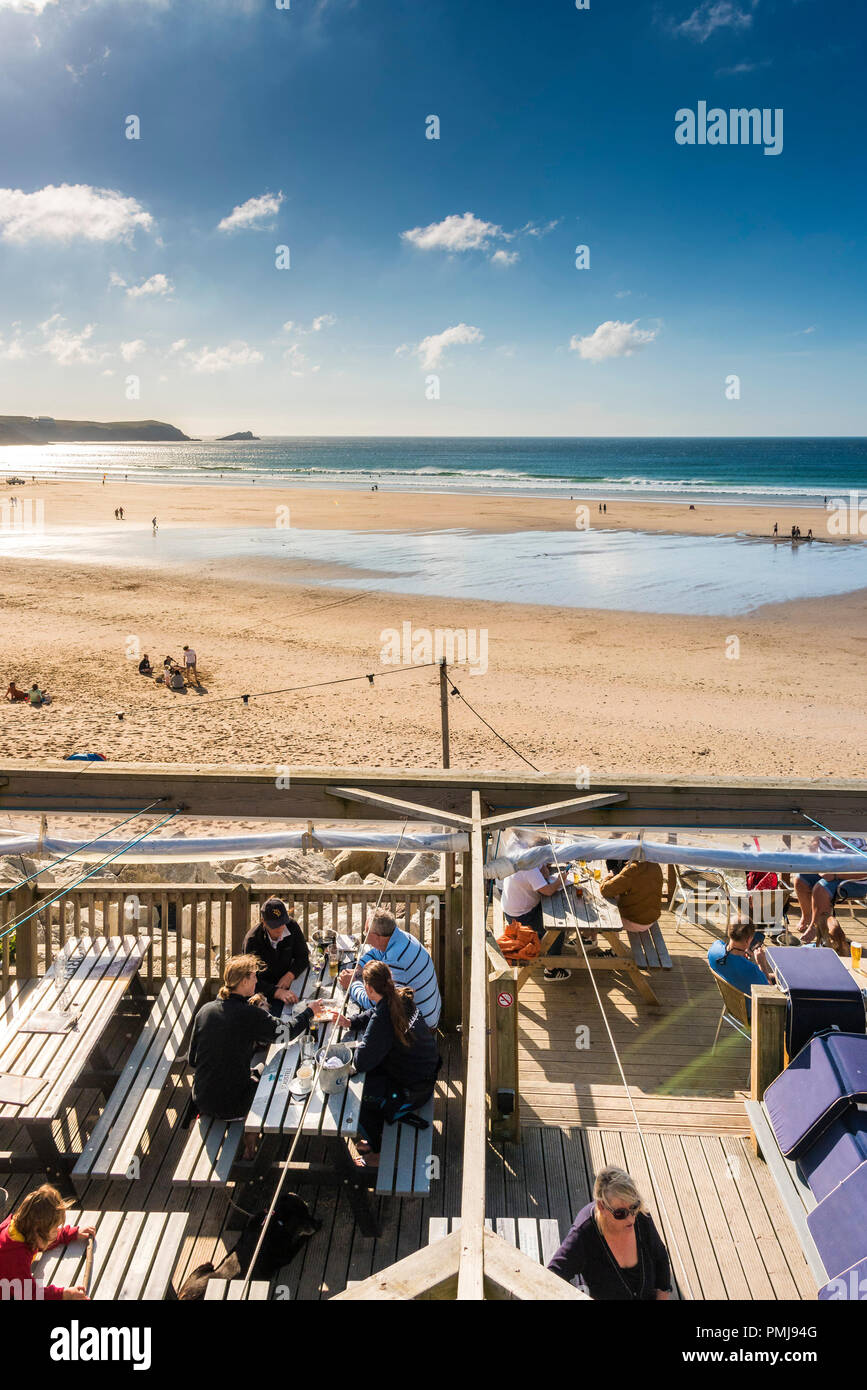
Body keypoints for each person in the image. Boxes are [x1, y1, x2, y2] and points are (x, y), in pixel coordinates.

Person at [188, 953, 325, 1122]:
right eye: (253, 977)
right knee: (276, 1072)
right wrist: (309, 1011)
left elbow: (193, 1061)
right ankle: (257, 1134)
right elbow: (285, 1033)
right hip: (233, 1105)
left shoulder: (205, 1010)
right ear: (243, 982)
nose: (256, 981)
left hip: (202, 1099)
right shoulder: (250, 1014)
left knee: (256, 1067)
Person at [347, 960, 440, 1157]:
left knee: (354, 1095)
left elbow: (361, 1061)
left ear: (369, 989)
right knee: (372, 1072)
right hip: (427, 1072)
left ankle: (375, 1150)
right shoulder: (400, 997)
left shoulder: (383, 1018)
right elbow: (376, 1011)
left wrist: (363, 1042)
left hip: (413, 1091)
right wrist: (351, 1022)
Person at [547, 1166, 671, 1301]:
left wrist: (662, 1296)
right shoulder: (584, 1233)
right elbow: (553, 1275)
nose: (631, 1218)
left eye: (633, 1207)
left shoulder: (640, 1216)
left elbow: (660, 1257)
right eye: (620, 1213)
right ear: (602, 1207)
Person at [342, 906, 441, 1027]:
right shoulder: (399, 937)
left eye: (366, 932)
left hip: (420, 1026)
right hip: (429, 1012)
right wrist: (359, 968)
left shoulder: (396, 959)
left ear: (378, 936)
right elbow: (376, 952)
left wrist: (352, 985)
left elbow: (377, 1002)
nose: (365, 938)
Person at [0, 1184, 95, 1301]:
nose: (56, 1233)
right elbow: (30, 1295)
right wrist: (64, 1294)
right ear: (38, 1232)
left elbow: (46, 1238)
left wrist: (69, 1233)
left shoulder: (20, 1229)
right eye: (55, 1230)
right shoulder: (15, 1258)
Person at [500, 846, 571, 981]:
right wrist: (559, 880)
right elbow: (549, 891)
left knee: (554, 910)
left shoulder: (521, 855)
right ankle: (552, 969)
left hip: (513, 909)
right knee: (558, 926)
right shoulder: (530, 869)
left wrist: (544, 867)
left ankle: (548, 945)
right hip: (521, 916)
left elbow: (543, 870)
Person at [795, 836, 867, 952]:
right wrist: (812, 850)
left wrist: (835, 875)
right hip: (832, 874)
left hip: (855, 882)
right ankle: (807, 917)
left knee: (821, 888)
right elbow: (816, 860)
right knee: (800, 879)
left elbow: (864, 871)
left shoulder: (858, 844)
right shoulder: (823, 839)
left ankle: (815, 927)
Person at [243, 896, 310, 1015]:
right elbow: (250, 979)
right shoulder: (252, 941)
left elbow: (303, 956)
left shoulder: (292, 926)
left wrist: (290, 975)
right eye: (275, 926)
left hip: (290, 984)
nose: (280, 928)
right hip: (261, 995)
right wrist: (276, 992)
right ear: (263, 922)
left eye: (282, 923)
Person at [707, 919, 770, 1016]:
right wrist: (762, 964)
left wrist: (741, 954)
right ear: (749, 940)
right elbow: (770, 993)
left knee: (775, 976)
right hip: (752, 1013)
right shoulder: (752, 970)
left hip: (731, 1002)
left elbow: (729, 956)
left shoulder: (714, 949)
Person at [600, 855, 664, 934]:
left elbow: (605, 890)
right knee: (616, 896)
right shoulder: (655, 865)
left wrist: (607, 877)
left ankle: (592, 938)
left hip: (636, 922)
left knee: (604, 912)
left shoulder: (633, 869)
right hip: (652, 918)